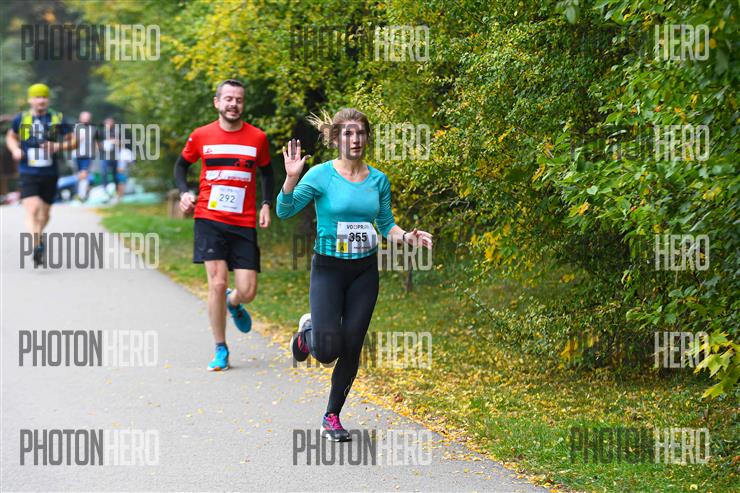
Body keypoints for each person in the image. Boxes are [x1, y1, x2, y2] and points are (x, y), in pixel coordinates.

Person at [276, 108, 432, 441]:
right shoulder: (320, 175)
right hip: (329, 269)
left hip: (364, 272)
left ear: (367, 138)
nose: (355, 139)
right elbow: (284, 211)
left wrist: (407, 236)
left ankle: (331, 416)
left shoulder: (378, 180)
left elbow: (386, 225)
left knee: (351, 346)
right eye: (348, 133)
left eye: (360, 133)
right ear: (336, 139)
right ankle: (306, 335)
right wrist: (290, 179)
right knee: (326, 350)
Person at [174, 79, 275, 371]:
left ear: (243, 104)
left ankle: (234, 302)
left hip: (243, 222)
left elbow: (267, 173)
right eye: (228, 98)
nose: (233, 104)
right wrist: (184, 193)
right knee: (217, 283)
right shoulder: (201, 135)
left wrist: (266, 204)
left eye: (239, 100)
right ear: (217, 102)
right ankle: (221, 348)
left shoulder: (257, 137)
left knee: (248, 290)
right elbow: (181, 166)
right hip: (209, 218)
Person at [5, 83, 75, 266]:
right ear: (30, 100)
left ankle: (38, 237)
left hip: (50, 173)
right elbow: (11, 136)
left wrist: (59, 146)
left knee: (45, 214)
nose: (41, 100)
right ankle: (36, 245)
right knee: (33, 209)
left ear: (48, 100)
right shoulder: (21, 119)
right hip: (28, 171)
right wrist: (15, 149)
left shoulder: (57, 118)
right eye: (37, 97)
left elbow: (74, 141)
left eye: (44, 97)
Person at [73, 111, 97, 201]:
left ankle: (82, 196)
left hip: (87, 155)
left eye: (87, 117)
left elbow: (95, 142)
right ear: (80, 118)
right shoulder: (75, 128)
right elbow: (71, 140)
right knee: (79, 175)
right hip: (76, 155)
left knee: (84, 174)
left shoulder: (92, 129)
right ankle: (78, 194)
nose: (86, 119)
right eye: (84, 117)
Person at [99, 117, 119, 201]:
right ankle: (105, 191)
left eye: (110, 123)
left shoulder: (116, 132)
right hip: (104, 156)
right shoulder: (101, 133)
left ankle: (116, 192)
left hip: (114, 157)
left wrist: (114, 141)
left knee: (115, 174)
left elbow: (121, 143)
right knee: (104, 173)